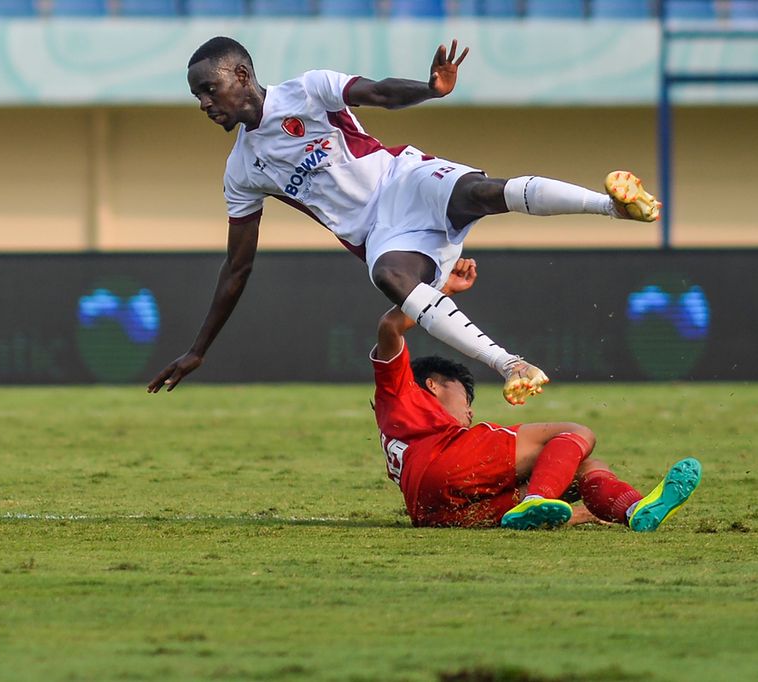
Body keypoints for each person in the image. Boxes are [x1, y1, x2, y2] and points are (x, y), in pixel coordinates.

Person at [147, 36, 661, 405]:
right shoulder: (242, 169)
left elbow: (381, 93)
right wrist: (198, 350)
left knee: (483, 192)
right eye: (198, 95)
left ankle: (614, 206)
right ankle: (513, 365)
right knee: (388, 275)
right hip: (381, 236)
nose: (204, 103)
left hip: (403, 177)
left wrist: (430, 88)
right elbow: (237, 268)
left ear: (241, 75)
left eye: (208, 89)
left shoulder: (308, 90)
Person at [372, 258, 701, 530]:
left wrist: (581, 513)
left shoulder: (395, 426)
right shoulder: (401, 388)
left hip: (435, 514)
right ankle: (536, 499)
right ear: (433, 384)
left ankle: (633, 511)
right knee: (575, 432)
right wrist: (442, 289)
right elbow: (390, 327)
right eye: (464, 397)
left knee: (584, 468)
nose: (469, 412)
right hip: (443, 464)